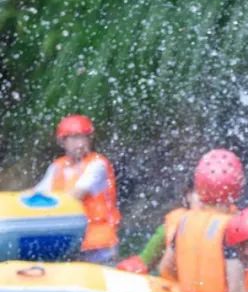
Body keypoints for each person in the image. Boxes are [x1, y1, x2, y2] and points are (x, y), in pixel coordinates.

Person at [157, 149, 248, 292]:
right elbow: (236, 290)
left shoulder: (184, 221)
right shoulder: (231, 228)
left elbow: (166, 267)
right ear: (237, 187)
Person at [35, 114, 121, 264]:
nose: (81, 144)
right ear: (63, 141)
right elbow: (36, 194)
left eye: (84, 138)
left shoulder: (98, 165)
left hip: (100, 246)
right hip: (72, 244)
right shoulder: (57, 166)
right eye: (74, 138)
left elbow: (76, 195)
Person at [117, 184, 201, 274]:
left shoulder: (217, 231)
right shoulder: (171, 226)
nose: (205, 198)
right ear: (188, 195)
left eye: (211, 195)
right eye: (200, 192)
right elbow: (145, 261)